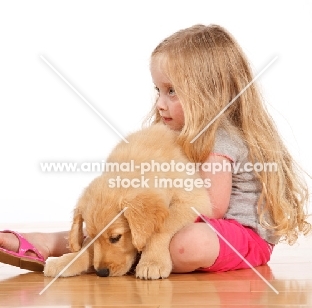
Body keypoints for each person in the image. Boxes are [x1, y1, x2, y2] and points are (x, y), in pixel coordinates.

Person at [0, 24, 310, 274]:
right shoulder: (177, 135)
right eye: (158, 90)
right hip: (195, 222)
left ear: (210, 93)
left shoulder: (220, 141)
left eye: (172, 91)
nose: (160, 103)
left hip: (238, 236)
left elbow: (209, 208)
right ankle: (52, 243)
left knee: (186, 244)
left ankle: (121, 255)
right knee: (115, 222)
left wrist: (152, 216)